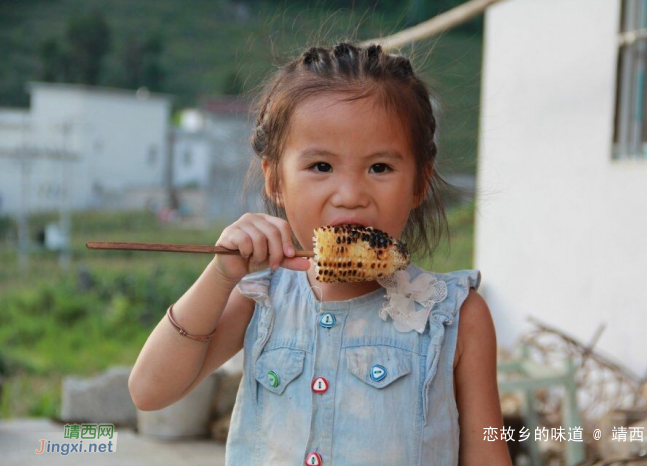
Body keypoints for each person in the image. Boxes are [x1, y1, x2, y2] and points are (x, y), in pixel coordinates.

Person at [128, 41, 512, 466]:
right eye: (321, 167)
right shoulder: (259, 297)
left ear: (420, 182)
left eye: (380, 168)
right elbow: (149, 391)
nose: (350, 196)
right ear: (274, 180)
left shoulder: (456, 316)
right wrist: (220, 276)